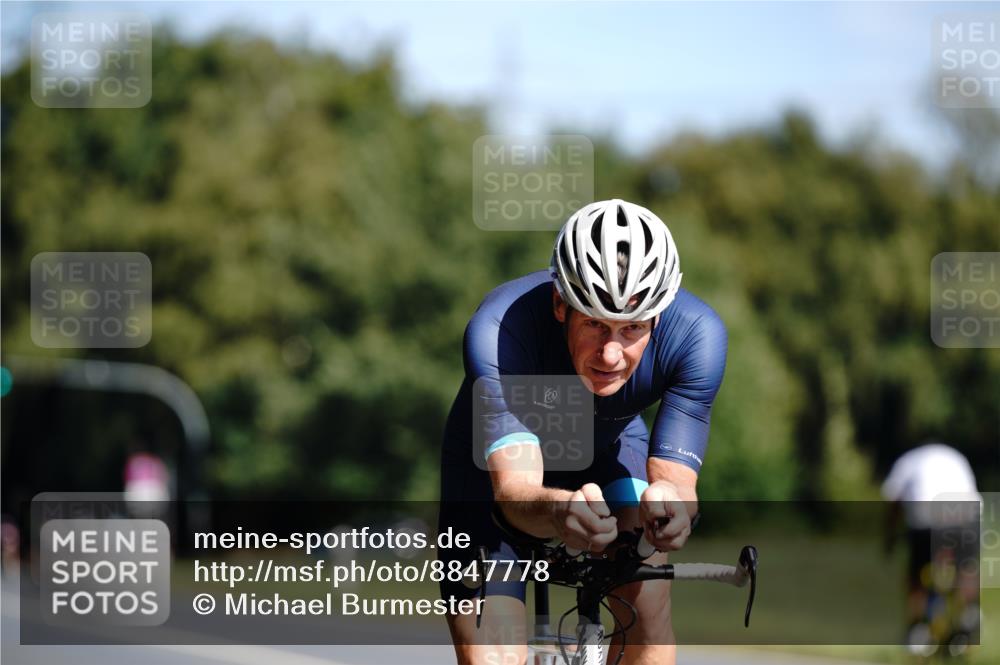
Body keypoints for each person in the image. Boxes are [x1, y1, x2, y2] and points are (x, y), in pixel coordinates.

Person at [438, 199, 728, 665]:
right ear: (560, 304)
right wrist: (559, 511)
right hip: (489, 473)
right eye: (595, 324)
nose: (611, 355)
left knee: (649, 611)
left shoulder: (697, 336)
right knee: (493, 658)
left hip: (609, 447)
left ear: (657, 317)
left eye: (632, 328)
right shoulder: (498, 329)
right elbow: (516, 492)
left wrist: (672, 508)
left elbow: (675, 479)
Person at [881, 443, 981, 654]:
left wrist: (889, 538)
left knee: (917, 573)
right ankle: (968, 612)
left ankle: (917, 628)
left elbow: (894, 503)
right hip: (965, 515)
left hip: (925, 516)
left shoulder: (906, 461)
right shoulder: (956, 456)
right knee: (966, 568)